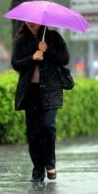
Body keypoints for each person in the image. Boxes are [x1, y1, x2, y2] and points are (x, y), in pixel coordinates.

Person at [11, 22, 70, 182]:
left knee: (48, 126)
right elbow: (15, 63)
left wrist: (47, 50)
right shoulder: (22, 40)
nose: (30, 23)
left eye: (34, 20)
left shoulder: (53, 37)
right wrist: (32, 57)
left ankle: (50, 164)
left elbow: (65, 59)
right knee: (33, 133)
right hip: (30, 91)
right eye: (27, 20)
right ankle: (38, 169)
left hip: (51, 90)